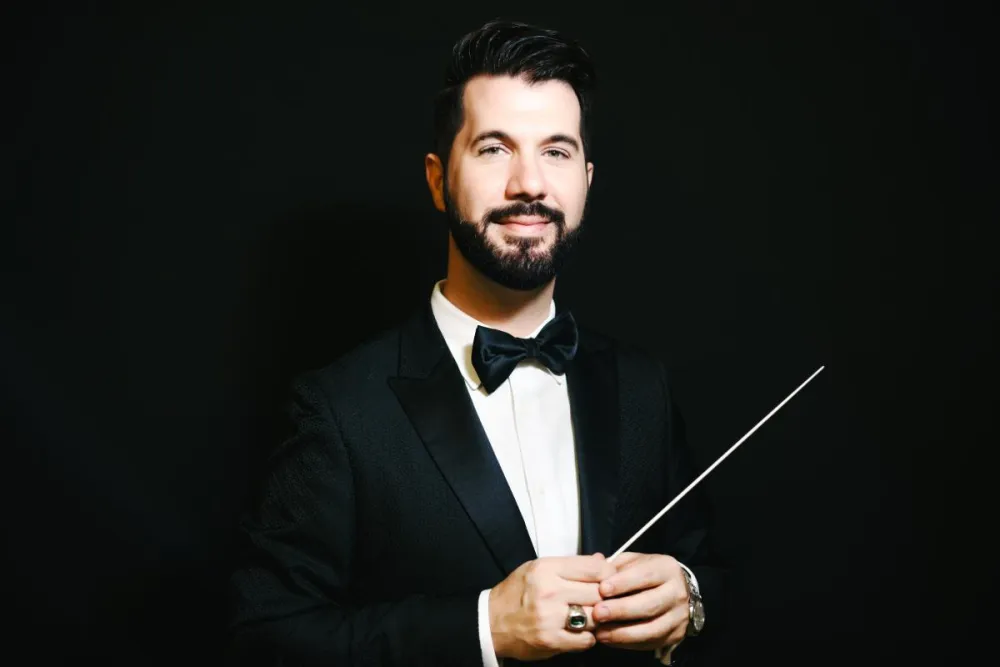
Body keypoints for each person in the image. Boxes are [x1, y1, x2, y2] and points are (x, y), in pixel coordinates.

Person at [228, 19, 728, 667]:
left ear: (586, 179)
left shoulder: (643, 387)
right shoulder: (338, 408)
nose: (530, 184)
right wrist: (485, 627)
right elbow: (266, 636)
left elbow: (708, 567)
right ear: (438, 179)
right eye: (495, 148)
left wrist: (690, 596)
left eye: (556, 152)